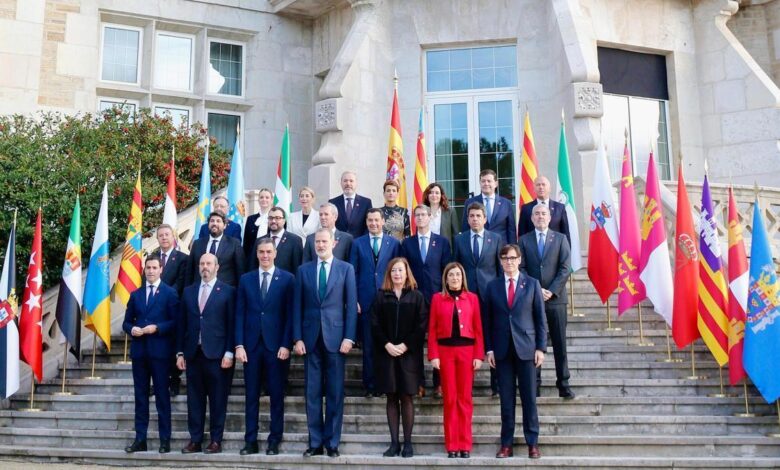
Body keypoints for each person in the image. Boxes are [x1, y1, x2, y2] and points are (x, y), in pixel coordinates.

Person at [293, 228, 358, 458]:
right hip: (310, 340)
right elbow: (297, 307)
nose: (320, 245)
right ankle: (315, 442)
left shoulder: (346, 269)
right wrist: (297, 337)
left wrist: (349, 337)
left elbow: (351, 305)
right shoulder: (303, 270)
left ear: (333, 242)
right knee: (311, 393)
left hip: (336, 339)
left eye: (324, 241)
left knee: (334, 392)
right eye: (317, 242)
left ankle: (332, 443)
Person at [484, 244, 547, 459]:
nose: (508, 261)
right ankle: (506, 445)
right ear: (500, 261)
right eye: (504, 258)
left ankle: (533, 443)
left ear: (519, 259)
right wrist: (489, 349)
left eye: (512, 258)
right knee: (506, 401)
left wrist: (541, 348)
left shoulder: (532, 284)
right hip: (502, 351)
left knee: (529, 399)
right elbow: (488, 321)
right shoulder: (492, 287)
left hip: (527, 350)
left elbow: (540, 319)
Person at [235, 238, 294, 456]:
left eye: (269, 251)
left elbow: (290, 315)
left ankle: (274, 440)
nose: (265, 255)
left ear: (275, 253)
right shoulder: (246, 279)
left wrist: (286, 343)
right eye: (261, 252)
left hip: (276, 347)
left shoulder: (287, 279)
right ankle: (250, 440)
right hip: (250, 347)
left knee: (276, 396)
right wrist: (239, 344)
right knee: (251, 396)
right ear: (257, 254)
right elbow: (239, 313)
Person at [177, 253, 236, 454]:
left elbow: (231, 325)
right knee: (194, 399)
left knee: (218, 400)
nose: (205, 267)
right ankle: (195, 440)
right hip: (194, 354)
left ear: (217, 267)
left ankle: (216, 440)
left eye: (208, 263)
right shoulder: (188, 292)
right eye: (202, 264)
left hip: (218, 355)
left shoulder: (228, 292)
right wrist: (179, 353)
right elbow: (181, 325)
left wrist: (230, 352)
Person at [370, 258, 428, 458]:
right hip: (386, 354)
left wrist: (405, 345)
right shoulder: (380, 296)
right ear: (389, 274)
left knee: (407, 397)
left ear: (407, 273)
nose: (397, 274)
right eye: (393, 270)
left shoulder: (417, 296)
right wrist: (387, 344)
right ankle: (394, 443)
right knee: (391, 397)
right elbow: (374, 324)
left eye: (400, 270)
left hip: (409, 355)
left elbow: (421, 326)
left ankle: (408, 443)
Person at [122, 256, 179, 454]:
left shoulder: (170, 293)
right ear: (144, 270)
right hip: (139, 353)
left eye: (155, 267)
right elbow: (126, 322)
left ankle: (165, 440)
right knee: (140, 397)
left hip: (161, 354)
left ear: (161, 269)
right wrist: (133, 329)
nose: (151, 271)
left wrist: (158, 328)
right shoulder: (136, 294)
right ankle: (140, 439)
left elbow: (175, 322)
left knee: (162, 397)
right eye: (148, 267)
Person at [427, 262, 484, 459]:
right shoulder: (437, 299)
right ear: (446, 278)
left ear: (463, 278)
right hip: (445, 353)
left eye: (458, 275)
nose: (454, 278)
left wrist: (478, 355)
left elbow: (478, 329)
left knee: (465, 399)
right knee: (450, 399)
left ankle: (465, 445)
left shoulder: (472, 299)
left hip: (467, 352)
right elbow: (432, 329)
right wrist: (433, 354)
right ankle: (452, 445)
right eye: (451, 275)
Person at [518, 204, 574, 399]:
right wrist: (536, 290)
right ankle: (535, 385)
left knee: (559, 343)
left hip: (556, 300)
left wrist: (551, 291)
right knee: (534, 343)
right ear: (531, 218)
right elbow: (521, 268)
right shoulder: (523, 241)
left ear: (549, 217)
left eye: (543, 214)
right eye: (536, 214)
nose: (540, 217)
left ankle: (564, 384)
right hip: (532, 300)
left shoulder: (560, 239)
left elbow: (565, 268)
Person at [350, 208, 401, 397]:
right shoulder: (357, 244)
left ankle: (387, 385)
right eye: (370, 220)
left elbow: (398, 270)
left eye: (376, 220)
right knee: (369, 346)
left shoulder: (394, 243)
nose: (373, 223)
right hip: (365, 301)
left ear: (383, 222)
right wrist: (354, 298)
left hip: (388, 300)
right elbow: (352, 272)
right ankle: (370, 386)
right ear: (366, 222)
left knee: (388, 344)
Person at [401, 205, 451, 397]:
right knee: (414, 342)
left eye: (424, 215)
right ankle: (418, 383)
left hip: (437, 298)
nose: (420, 218)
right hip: (413, 300)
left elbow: (446, 271)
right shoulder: (407, 244)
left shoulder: (442, 242)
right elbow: (403, 271)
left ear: (430, 217)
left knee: (439, 340)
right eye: (417, 215)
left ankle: (439, 383)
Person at [453, 202, 502, 396]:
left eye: (478, 216)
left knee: (492, 336)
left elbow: (499, 269)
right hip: (466, 297)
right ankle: (465, 386)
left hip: (490, 295)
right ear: (467, 219)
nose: (474, 219)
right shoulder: (459, 240)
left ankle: (496, 385)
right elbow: (454, 267)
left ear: (485, 218)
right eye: (471, 216)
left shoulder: (496, 239)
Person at [151, 223, 189, 397]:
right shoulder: (151, 259)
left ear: (173, 237)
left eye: (167, 234)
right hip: (154, 310)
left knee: (174, 345)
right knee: (157, 347)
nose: (164, 238)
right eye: (161, 235)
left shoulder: (182, 258)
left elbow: (181, 283)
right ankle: (158, 381)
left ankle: (174, 380)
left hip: (174, 307)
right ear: (157, 238)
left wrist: (164, 297)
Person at [188, 212, 246, 287]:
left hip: (225, 293)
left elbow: (240, 271)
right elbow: (189, 270)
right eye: (212, 221)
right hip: (199, 290)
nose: (214, 223)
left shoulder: (234, 244)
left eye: (218, 221)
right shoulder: (197, 244)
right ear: (208, 225)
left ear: (224, 225)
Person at [461, 169, 517, 244]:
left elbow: (511, 230)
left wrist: (512, 248)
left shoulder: (506, 203)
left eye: (489, 181)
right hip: (478, 248)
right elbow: (465, 228)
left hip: (502, 249)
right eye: (483, 181)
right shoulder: (470, 202)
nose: (486, 184)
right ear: (480, 183)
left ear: (496, 183)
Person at [248, 206, 303, 274]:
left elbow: (297, 268)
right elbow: (253, 266)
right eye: (271, 218)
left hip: (286, 283)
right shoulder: (259, 241)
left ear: (284, 220)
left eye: (277, 218)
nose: (273, 221)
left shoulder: (295, 240)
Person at [518, 175, 571, 242]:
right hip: (532, 250)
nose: (541, 187)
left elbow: (566, 233)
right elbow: (522, 234)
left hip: (555, 250)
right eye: (538, 185)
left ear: (549, 188)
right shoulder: (526, 208)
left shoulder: (560, 208)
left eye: (543, 184)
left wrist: (567, 251)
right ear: (534, 189)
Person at [330, 171, 372, 238]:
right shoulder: (333, 202)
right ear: (341, 183)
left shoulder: (366, 202)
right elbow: (330, 224)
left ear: (356, 183)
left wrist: (363, 241)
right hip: (339, 243)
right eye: (345, 181)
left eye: (351, 181)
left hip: (359, 243)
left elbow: (369, 224)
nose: (348, 183)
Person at [422, 182, 460, 247]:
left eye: (437, 193)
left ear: (441, 196)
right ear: (427, 195)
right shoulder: (422, 212)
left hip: (444, 250)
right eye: (431, 192)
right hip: (426, 249)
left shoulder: (450, 212)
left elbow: (455, 235)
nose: (434, 195)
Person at [243, 188, 274, 258]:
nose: (264, 199)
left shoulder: (275, 219)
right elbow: (246, 243)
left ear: (271, 200)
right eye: (261, 197)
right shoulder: (250, 219)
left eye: (267, 197)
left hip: (270, 257)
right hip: (252, 257)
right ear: (258, 200)